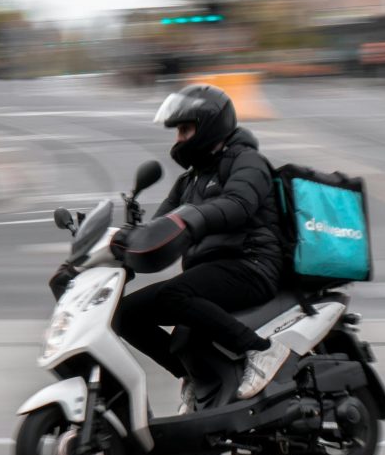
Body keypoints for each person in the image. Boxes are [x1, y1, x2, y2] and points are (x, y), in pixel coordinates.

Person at [114, 83, 290, 408]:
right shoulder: (190, 180)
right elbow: (160, 226)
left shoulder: (247, 161)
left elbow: (239, 203)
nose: (179, 139)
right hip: (212, 271)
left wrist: (194, 216)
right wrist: (122, 243)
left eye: (185, 130)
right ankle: (197, 378)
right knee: (124, 313)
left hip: (251, 265)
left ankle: (261, 350)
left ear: (210, 125)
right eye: (177, 131)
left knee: (173, 294)